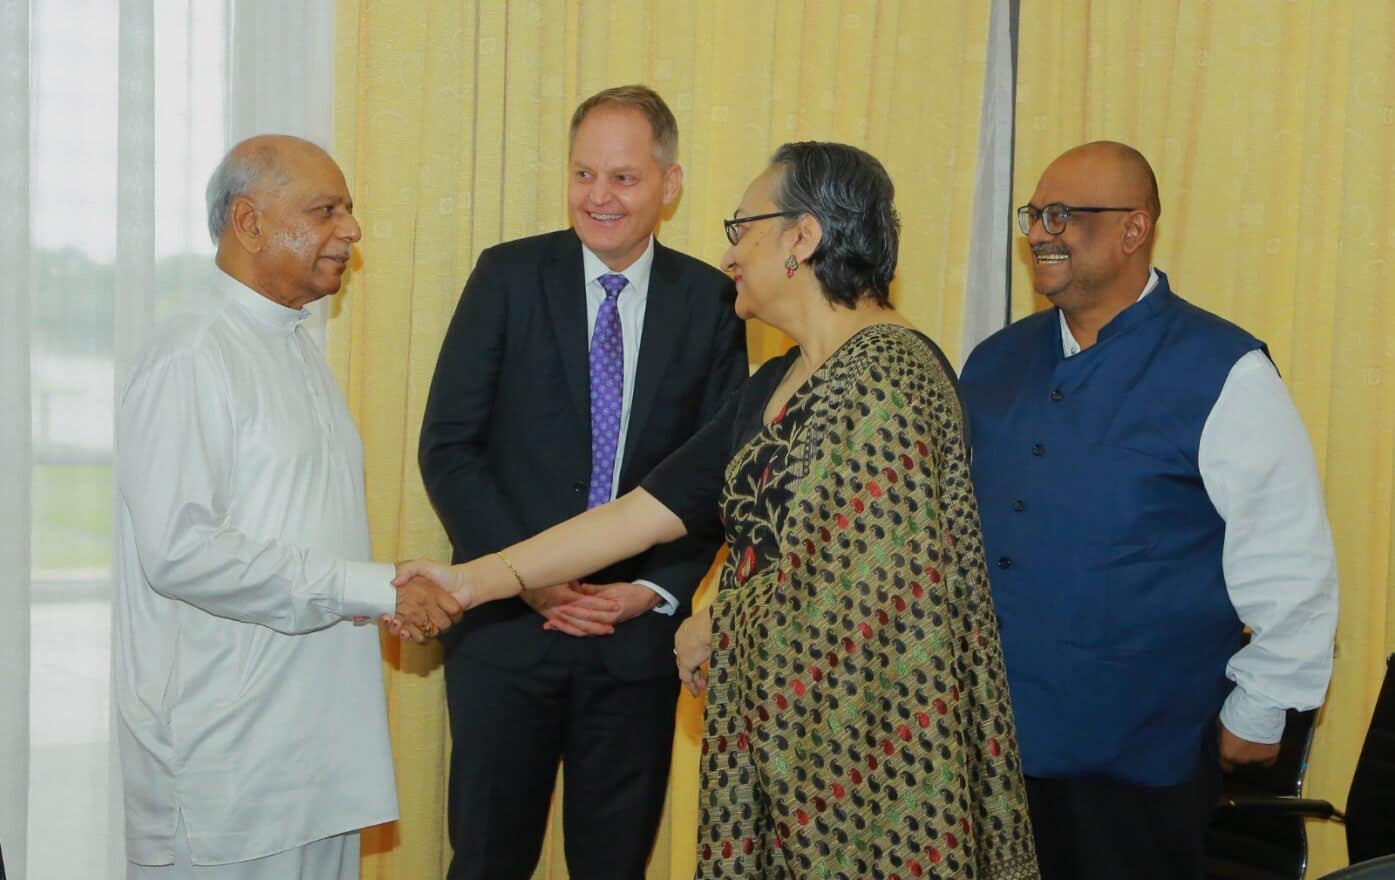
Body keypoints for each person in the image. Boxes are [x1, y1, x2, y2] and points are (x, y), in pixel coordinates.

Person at [402, 141, 1040, 880]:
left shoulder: (889, 377)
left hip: (867, 767)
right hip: (776, 742)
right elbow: (644, 511)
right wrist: (473, 582)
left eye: (743, 227)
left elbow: (862, 598)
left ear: (802, 239)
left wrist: (719, 619)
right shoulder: (779, 377)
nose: (729, 253)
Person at [957, 141, 1339, 880]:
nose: (1040, 232)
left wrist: (1262, 705)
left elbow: (1287, 552)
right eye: (1033, 214)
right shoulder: (992, 362)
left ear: (1134, 230)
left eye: (1062, 215)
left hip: (1139, 752)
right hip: (993, 745)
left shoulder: (1221, 368)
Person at [417, 85, 748, 880]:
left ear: (669, 184)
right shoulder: (505, 276)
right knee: (488, 858)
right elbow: (449, 447)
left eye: (624, 178)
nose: (598, 197)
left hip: (632, 643)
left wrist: (657, 590)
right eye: (583, 174)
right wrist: (527, 578)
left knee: (614, 864)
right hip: (505, 638)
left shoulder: (712, 301)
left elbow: (718, 475)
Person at [113, 134, 462, 880]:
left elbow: (300, 534)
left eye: (349, 210)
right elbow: (180, 550)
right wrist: (372, 585)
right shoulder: (192, 352)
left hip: (313, 754)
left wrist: (382, 592)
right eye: (324, 210)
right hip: (228, 769)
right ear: (250, 223)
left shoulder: (295, 345)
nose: (351, 230)